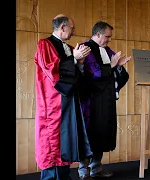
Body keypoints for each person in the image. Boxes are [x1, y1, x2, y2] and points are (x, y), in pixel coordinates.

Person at [34, 14, 93, 180]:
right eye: (72, 28)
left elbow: (74, 77)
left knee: (66, 142)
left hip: (68, 103)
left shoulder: (67, 47)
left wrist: (80, 63)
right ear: (62, 27)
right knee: (53, 144)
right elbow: (52, 70)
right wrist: (73, 58)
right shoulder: (45, 44)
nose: (74, 31)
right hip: (52, 105)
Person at [77, 21, 131, 179]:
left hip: (106, 101)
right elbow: (94, 74)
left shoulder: (106, 50)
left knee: (102, 134)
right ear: (98, 34)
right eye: (107, 36)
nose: (109, 40)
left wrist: (119, 67)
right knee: (89, 135)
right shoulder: (85, 48)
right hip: (90, 101)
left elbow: (116, 72)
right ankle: (83, 171)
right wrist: (113, 66)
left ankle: (96, 167)